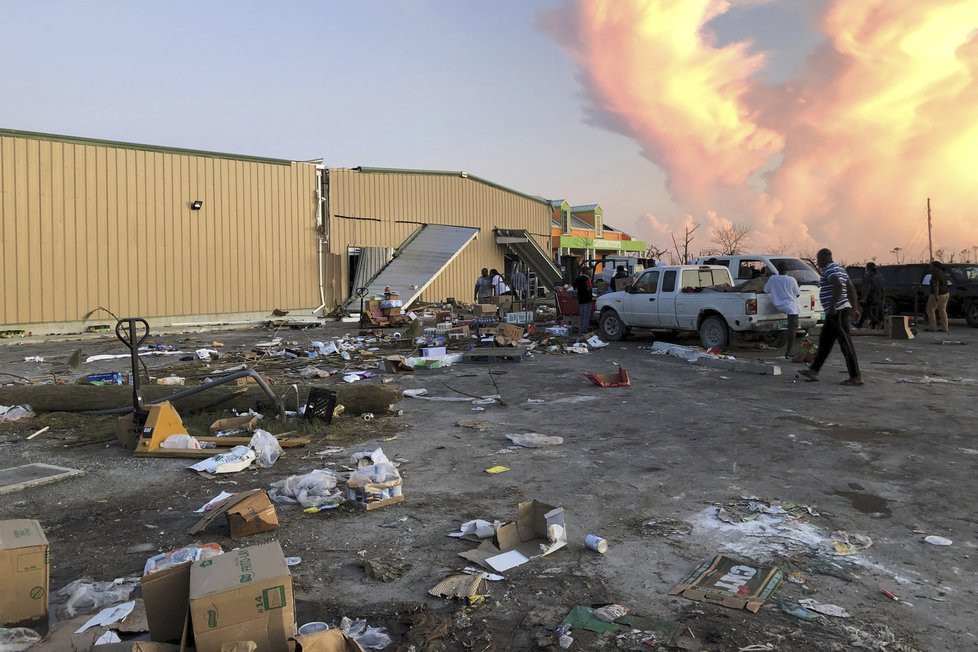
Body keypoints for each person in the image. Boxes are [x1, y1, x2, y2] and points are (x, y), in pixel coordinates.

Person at [799, 248, 863, 386]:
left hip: (837, 311)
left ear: (822, 259)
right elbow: (850, 288)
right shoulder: (840, 269)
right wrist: (854, 308)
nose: (818, 262)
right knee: (825, 342)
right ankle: (814, 371)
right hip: (836, 311)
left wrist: (833, 306)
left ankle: (856, 376)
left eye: (818, 259)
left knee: (846, 343)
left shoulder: (829, 270)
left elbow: (838, 286)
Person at [763, 265, 800, 359]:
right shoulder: (791, 280)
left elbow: (765, 290)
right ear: (787, 270)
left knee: (791, 329)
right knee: (792, 330)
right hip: (791, 307)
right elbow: (797, 293)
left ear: (777, 270)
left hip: (778, 305)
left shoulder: (773, 278)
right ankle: (788, 352)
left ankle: (787, 351)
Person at [858, 262, 885, 329]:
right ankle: (863, 323)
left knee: (866, 310)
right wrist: (882, 299)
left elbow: (868, 288)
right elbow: (883, 289)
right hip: (877, 298)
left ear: (869, 269)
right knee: (869, 311)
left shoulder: (868, 277)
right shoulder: (879, 278)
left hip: (870, 297)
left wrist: (864, 298)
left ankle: (875, 321)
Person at [926, 260, 950, 332]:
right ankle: (944, 327)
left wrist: (936, 295)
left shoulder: (935, 273)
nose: (930, 267)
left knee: (930, 309)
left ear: (935, 267)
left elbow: (936, 284)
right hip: (945, 293)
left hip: (938, 294)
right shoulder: (943, 273)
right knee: (942, 310)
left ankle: (932, 327)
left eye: (931, 266)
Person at [572, 267, 594, 334]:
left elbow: (574, 287)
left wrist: (578, 292)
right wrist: (591, 296)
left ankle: (581, 329)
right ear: (586, 271)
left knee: (582, 314)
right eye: (589, 271)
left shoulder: (577, 279)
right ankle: (584, 330)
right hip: (587, 299)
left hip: (581, 299)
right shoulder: (587, 279)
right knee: (586, 315)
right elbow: (590, 288)